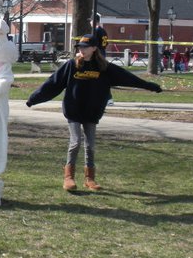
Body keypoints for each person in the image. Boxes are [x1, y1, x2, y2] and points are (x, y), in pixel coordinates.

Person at [26, 34, 162, 192]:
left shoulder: (105, 68)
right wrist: (33, 99)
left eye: (85, 47)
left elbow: (129, 78)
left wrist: (150, 86)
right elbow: (52, 84)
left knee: (90, 146)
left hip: (92, 112)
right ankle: (68, 177)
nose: (82, 50)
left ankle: (89, 178)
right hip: (74, 110)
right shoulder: (71, 65)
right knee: (75, 142)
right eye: (80, 47)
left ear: (94, 48)